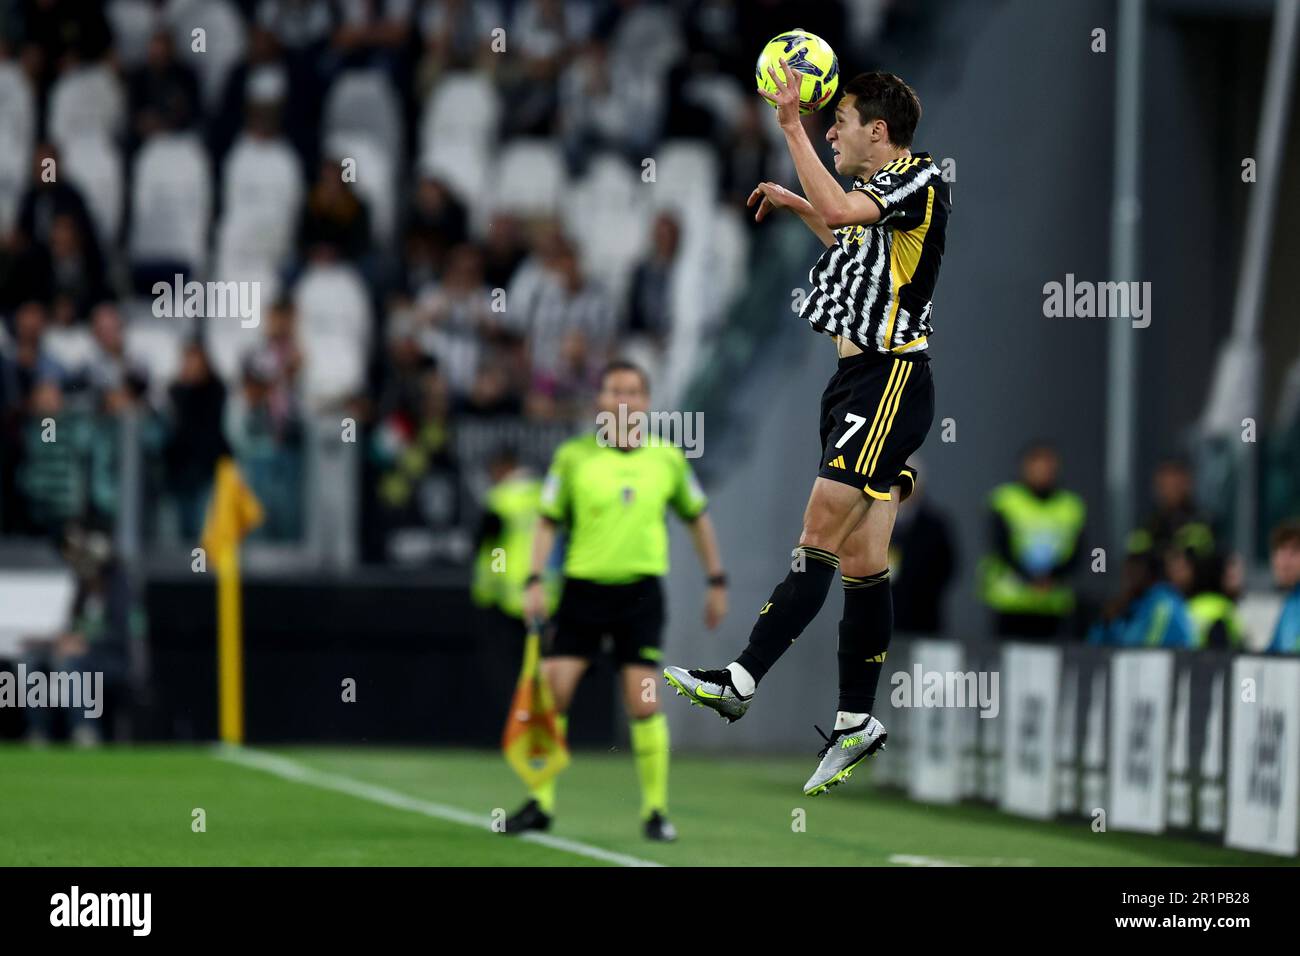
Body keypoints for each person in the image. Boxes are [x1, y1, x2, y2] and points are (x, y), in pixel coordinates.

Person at [663, 68, 951, 797]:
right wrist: (802, 205)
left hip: (888, 379)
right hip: (856, 382)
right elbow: (853, 237)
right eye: (825, 123)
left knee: (818, 530)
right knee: (861, 558)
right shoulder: (886, 200)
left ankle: (741, 676)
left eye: (842, 121)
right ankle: (856, 720)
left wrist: (787, 123)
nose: (831, 130)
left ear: (878, 134)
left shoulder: (918, 178)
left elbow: (849, 213)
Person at [502, 360, 728, 840]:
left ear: (646, 403)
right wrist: (534, 580)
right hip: (583, 594)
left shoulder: (666, 459)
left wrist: (716, 579)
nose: (622, 400)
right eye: (613, 391)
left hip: (639, 597)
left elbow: (697, 518)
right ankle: (540, 803)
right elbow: (546, 521)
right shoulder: (573, 457)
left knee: (643, 700)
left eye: (632, 391)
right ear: (600, 401)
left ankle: (656, 812)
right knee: (553, 691)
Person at [978, 442, 1086, 640]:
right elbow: (1000, 547)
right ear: (1024, 467)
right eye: (1036, 465)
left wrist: (1051, 577)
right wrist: (1029, 577)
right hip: (1010, 602)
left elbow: (1078, 552)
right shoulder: (1005, 500)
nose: (1042, 472)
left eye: (1047, 466)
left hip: (1053, 604)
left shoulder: (1071, 506)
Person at [1266, 519, 1300, 653]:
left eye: (1295, 551)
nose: (1284, 560)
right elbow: (1273, 655)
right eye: (1279, 550)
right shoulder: (1290, 603)